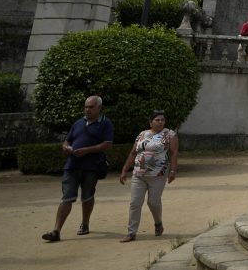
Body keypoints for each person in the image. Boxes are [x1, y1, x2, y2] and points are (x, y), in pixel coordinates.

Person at [41, 95, 114, 242]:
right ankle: (56, 231)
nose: (87, 109)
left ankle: (85, 223)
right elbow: (67, 140)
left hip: (92, 166)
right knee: (67, 197)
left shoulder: (106, 123)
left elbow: (107, 144)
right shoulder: (78, 123)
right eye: (86, 107)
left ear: (99, 108)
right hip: (72, 165)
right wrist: (66, 147)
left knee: (87, 196)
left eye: (91, 107)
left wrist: (86, 150)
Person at [117, 109, 179, 242]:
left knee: (153, 202)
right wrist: (124, 169)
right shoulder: (142, 134)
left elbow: (174, 153)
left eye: (162, 120)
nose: (160, 122)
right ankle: (131, 232)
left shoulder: (169, 134)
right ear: (151, 122)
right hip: (138, 174)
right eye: (157, 120)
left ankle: (158, 223)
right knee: (135, 203)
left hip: (158, 174)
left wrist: (173, 171)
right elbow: (133, 152)